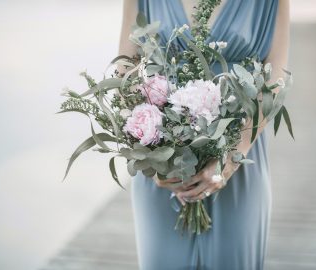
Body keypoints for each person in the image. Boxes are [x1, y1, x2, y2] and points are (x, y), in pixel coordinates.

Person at [118, 0, 290, 269]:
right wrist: (154, 156)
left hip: (239, 161)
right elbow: (126, 65)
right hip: (163, 167)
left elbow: (275, 79)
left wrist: (233, 155)